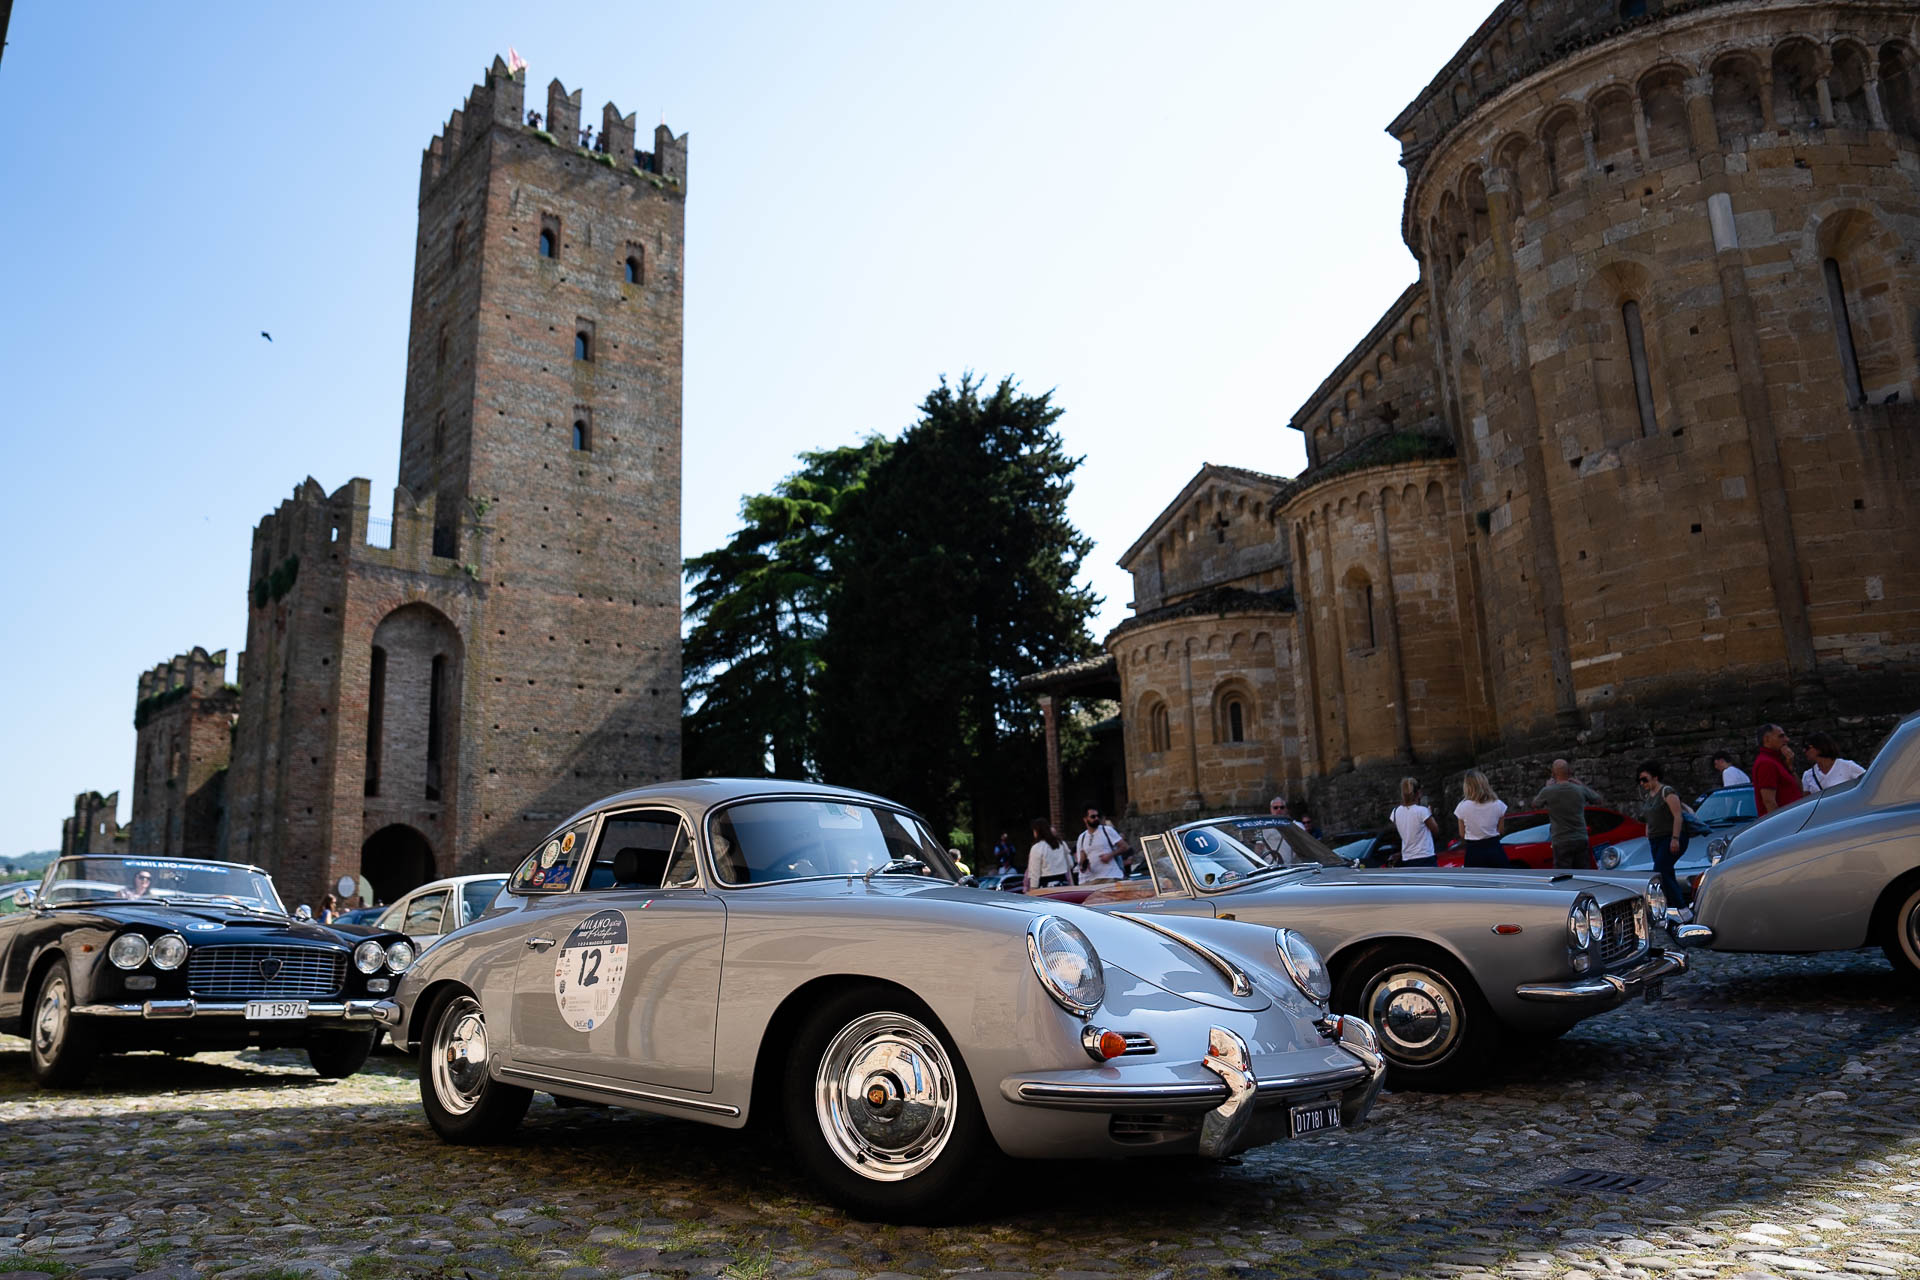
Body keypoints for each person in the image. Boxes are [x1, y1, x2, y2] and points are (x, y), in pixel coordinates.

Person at [1637, 760, 1691, 910]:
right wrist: (1648, 829)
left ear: (1655, 777)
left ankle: (1680, 906)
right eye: (1640, 780)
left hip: (1669, 837)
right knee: (1667, 872)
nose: (1642, 783)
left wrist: (1675, 838)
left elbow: (1677, 816)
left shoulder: (1667, 792)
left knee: (1660, 871)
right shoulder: (1649, 796)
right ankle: (1675, 905)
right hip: (1655, 839)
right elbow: (1649, 816)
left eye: (1645, 779)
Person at [1533, 759, 1604, 869]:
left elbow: (1535, 804)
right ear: (1569, 772)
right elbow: (1598, 799)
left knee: (1563, 875)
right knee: (1583, 873)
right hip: (1580, 838)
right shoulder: (1579, 790)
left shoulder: (1548, 791)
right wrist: (1582, 785)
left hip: (1561, 840)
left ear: (1553, 773)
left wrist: (1546, 787)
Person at [1453, 770, 1509, 869]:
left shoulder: (1462, 807)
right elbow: (1500, 830)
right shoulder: (1498, 804)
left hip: (1474, 851)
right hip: (1494, 848)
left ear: (1467, 786)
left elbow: (1462, 834)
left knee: (1476, 878)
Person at [1751, 724, 1803, 817]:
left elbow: (1800, 791)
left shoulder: (1777, 761)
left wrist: (1790, 767)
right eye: (1781, 736)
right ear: (1767, 739)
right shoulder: (1766, 763)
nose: (1787, 740)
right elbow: (1769, 801)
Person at [1389, 777, 1438, 867]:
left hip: (1407, 858)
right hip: (1425, 856)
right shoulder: (1422, 811)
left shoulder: (1395, 812)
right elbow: (1435, 830)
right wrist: (1430, 814)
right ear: (1418, 793)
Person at [1801, 733, 1866, 794]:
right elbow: (1808, 799)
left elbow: (1868, 782)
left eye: (1807, 748)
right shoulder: (1808, 775)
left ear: (1819, 747)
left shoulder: (1848, 766)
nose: (1804, 751)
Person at [1076, 809, 1129, 882]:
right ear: (1085, 819)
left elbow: (1125, 846)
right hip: (1090, 879)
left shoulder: (1107, 830)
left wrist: (1110, 855)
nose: (1096, 818)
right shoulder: (1082, 837)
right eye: (1093, 816)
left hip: (1110, 876)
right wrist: (1083, 865)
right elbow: (1081, 860)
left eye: (1098, 816)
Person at [1026, 818, 1074, 890]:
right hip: (1063, 883)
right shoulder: (1061, 844)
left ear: (1036, 831)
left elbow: (1034, 873)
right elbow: (1070, 864)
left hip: (1046, 886)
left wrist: (1033, 888)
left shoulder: (1037, 848)